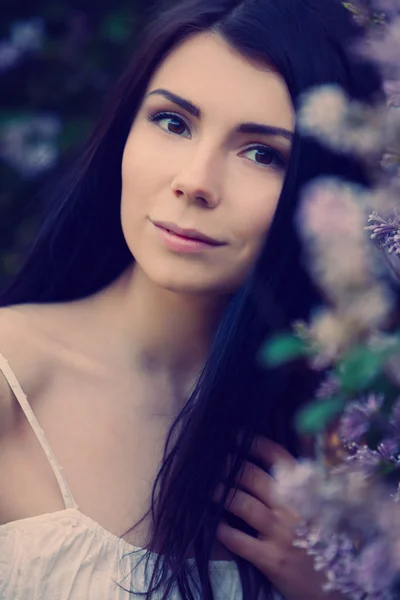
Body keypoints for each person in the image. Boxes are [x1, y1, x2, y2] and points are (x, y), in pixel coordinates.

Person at [0, 0, 382, 598]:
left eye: (262, 153)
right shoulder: (14, 375)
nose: (196, 181)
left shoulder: (348, 439)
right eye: (173, 122)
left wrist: (335, 585)